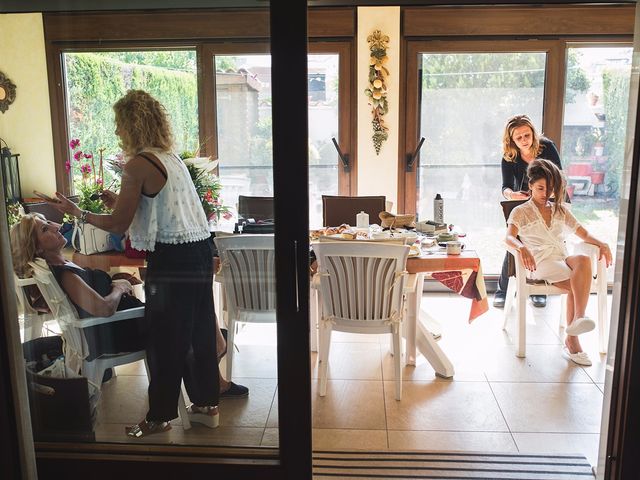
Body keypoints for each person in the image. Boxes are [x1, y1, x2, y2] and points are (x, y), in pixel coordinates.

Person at [48, 89, 224, 437]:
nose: (117, 132)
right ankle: (206, 406)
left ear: (132, 124)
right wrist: (121, 200)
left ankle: (159, 417)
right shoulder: (169, 158)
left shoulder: (138, 164)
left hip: (172, 259)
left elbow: (117, 224)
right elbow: (159, 207)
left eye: (119, 125)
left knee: (165, 337)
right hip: (200, 249)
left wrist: (78, 212)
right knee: (200, 329)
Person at [505, 159, 612, 366]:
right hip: (538, 262)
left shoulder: (560, 210)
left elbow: (584, 233)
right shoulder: (520, 211)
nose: (546, 193)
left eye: (550, 189)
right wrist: (521, 247)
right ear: (530, 186)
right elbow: (508, 237)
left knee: (581, 260)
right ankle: (573, 340)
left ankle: (578, 321)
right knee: (577, 282)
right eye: (540, 188)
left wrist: (603, 244)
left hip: (561, 257)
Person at [11, 213, 145, 361]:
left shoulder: (63, 264)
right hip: (124, 332)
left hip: (123, 325)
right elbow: (104, 308)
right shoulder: (65, 274)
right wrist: (119, 289)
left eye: (48, 222)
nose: (55, 227)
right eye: (45, 229)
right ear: (37, 248)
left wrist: (114, 284)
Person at [495, 114, 564, 309]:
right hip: (523, 203)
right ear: (512, 140)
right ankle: (503, 290)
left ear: (533, 133)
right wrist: (513, 195)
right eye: (519, 138)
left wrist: (549, 197)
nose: (525, 140)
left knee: (544, 242)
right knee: (516, 242)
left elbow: (558, 176)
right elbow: (505, 187)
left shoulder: (546, 147)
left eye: (527, 135)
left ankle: (539, 289)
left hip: (548, 199)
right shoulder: (509, 156)